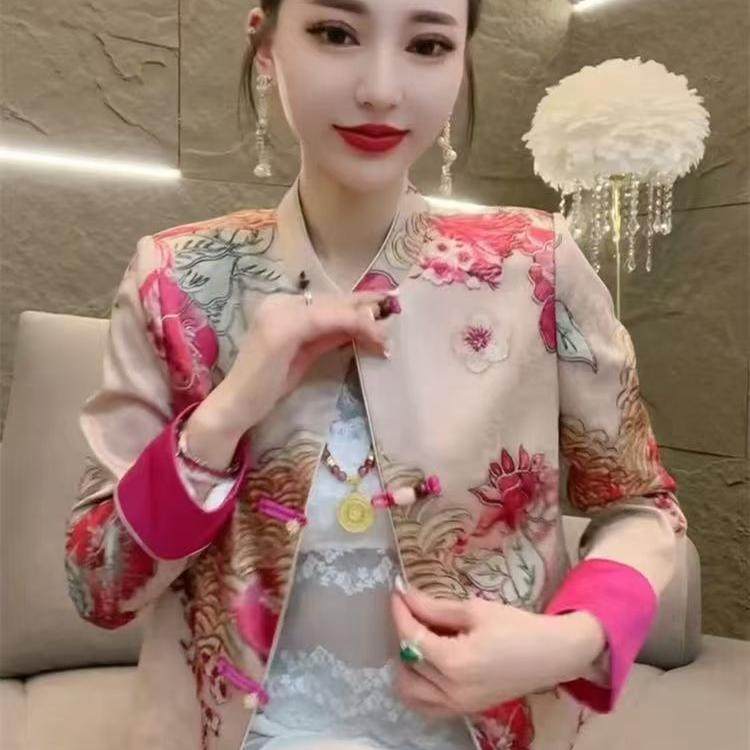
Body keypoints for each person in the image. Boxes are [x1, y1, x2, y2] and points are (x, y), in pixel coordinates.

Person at [63, 1, 689, 749]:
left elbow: (643, 508)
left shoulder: (535, 266)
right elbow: (98, 587)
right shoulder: (174, 279)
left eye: (428, 45)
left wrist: (569, 643)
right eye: (336, 33)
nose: (383, 90)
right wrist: (225, 414)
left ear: (461, 62)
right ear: (266, 45)